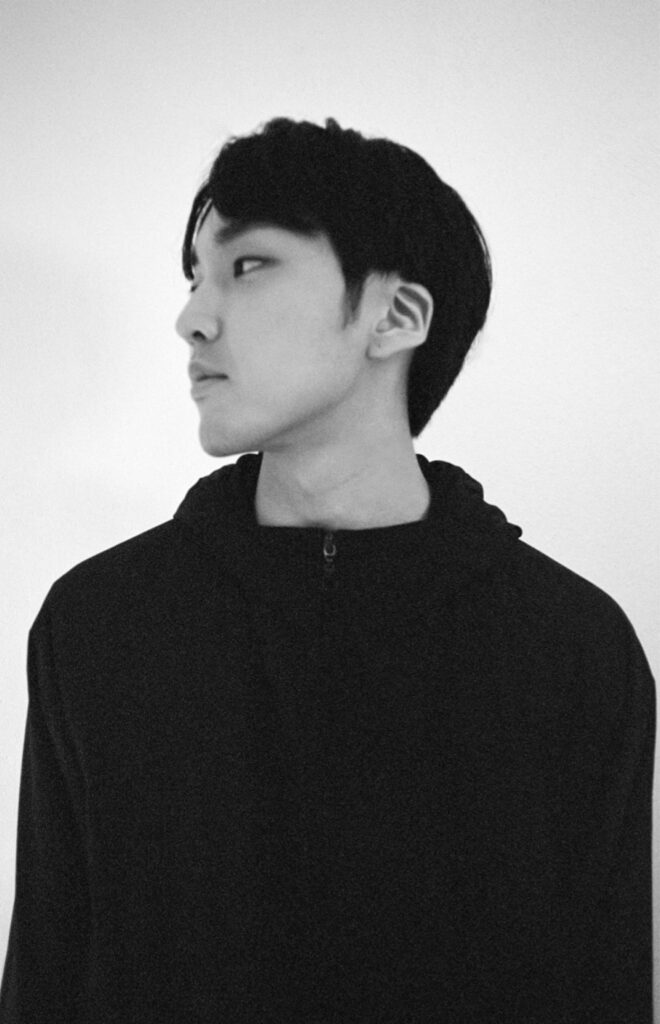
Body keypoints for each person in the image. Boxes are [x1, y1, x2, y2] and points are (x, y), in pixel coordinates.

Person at [0, 116, 654, 1023]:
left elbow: (607, 983)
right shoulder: (101, 625)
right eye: (195, 279)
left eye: (248, 265)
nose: (192, 318)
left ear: (398, 316)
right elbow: (46, 974)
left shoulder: (571, 647)